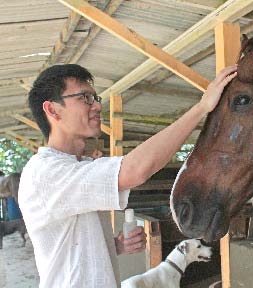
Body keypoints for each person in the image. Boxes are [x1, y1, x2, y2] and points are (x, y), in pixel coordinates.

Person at [18, 63, 237, 287]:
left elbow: (66, 247)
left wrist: (116, 246)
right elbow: (135, 170)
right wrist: (201, 108)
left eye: (95, 98)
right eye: (84, 98)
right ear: (53, 110)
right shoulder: (45, 173)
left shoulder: (77, 166)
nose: (95, 106)